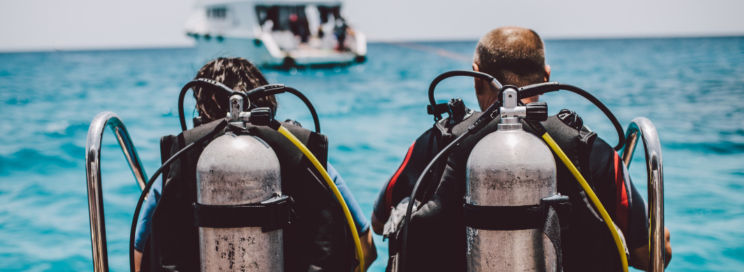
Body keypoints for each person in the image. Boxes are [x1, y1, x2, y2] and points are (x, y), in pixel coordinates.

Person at [371, 27, 672, 271]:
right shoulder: (589, 149)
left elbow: (379, 221)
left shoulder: (438, 143)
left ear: (477, 79)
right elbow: (650, 254)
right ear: (546, 77)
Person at [135, 58, 376, 272]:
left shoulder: (179, 165)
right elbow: (365, 249)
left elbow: (141, 260)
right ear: (268, 109)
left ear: (200, 116)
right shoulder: (306, 158)